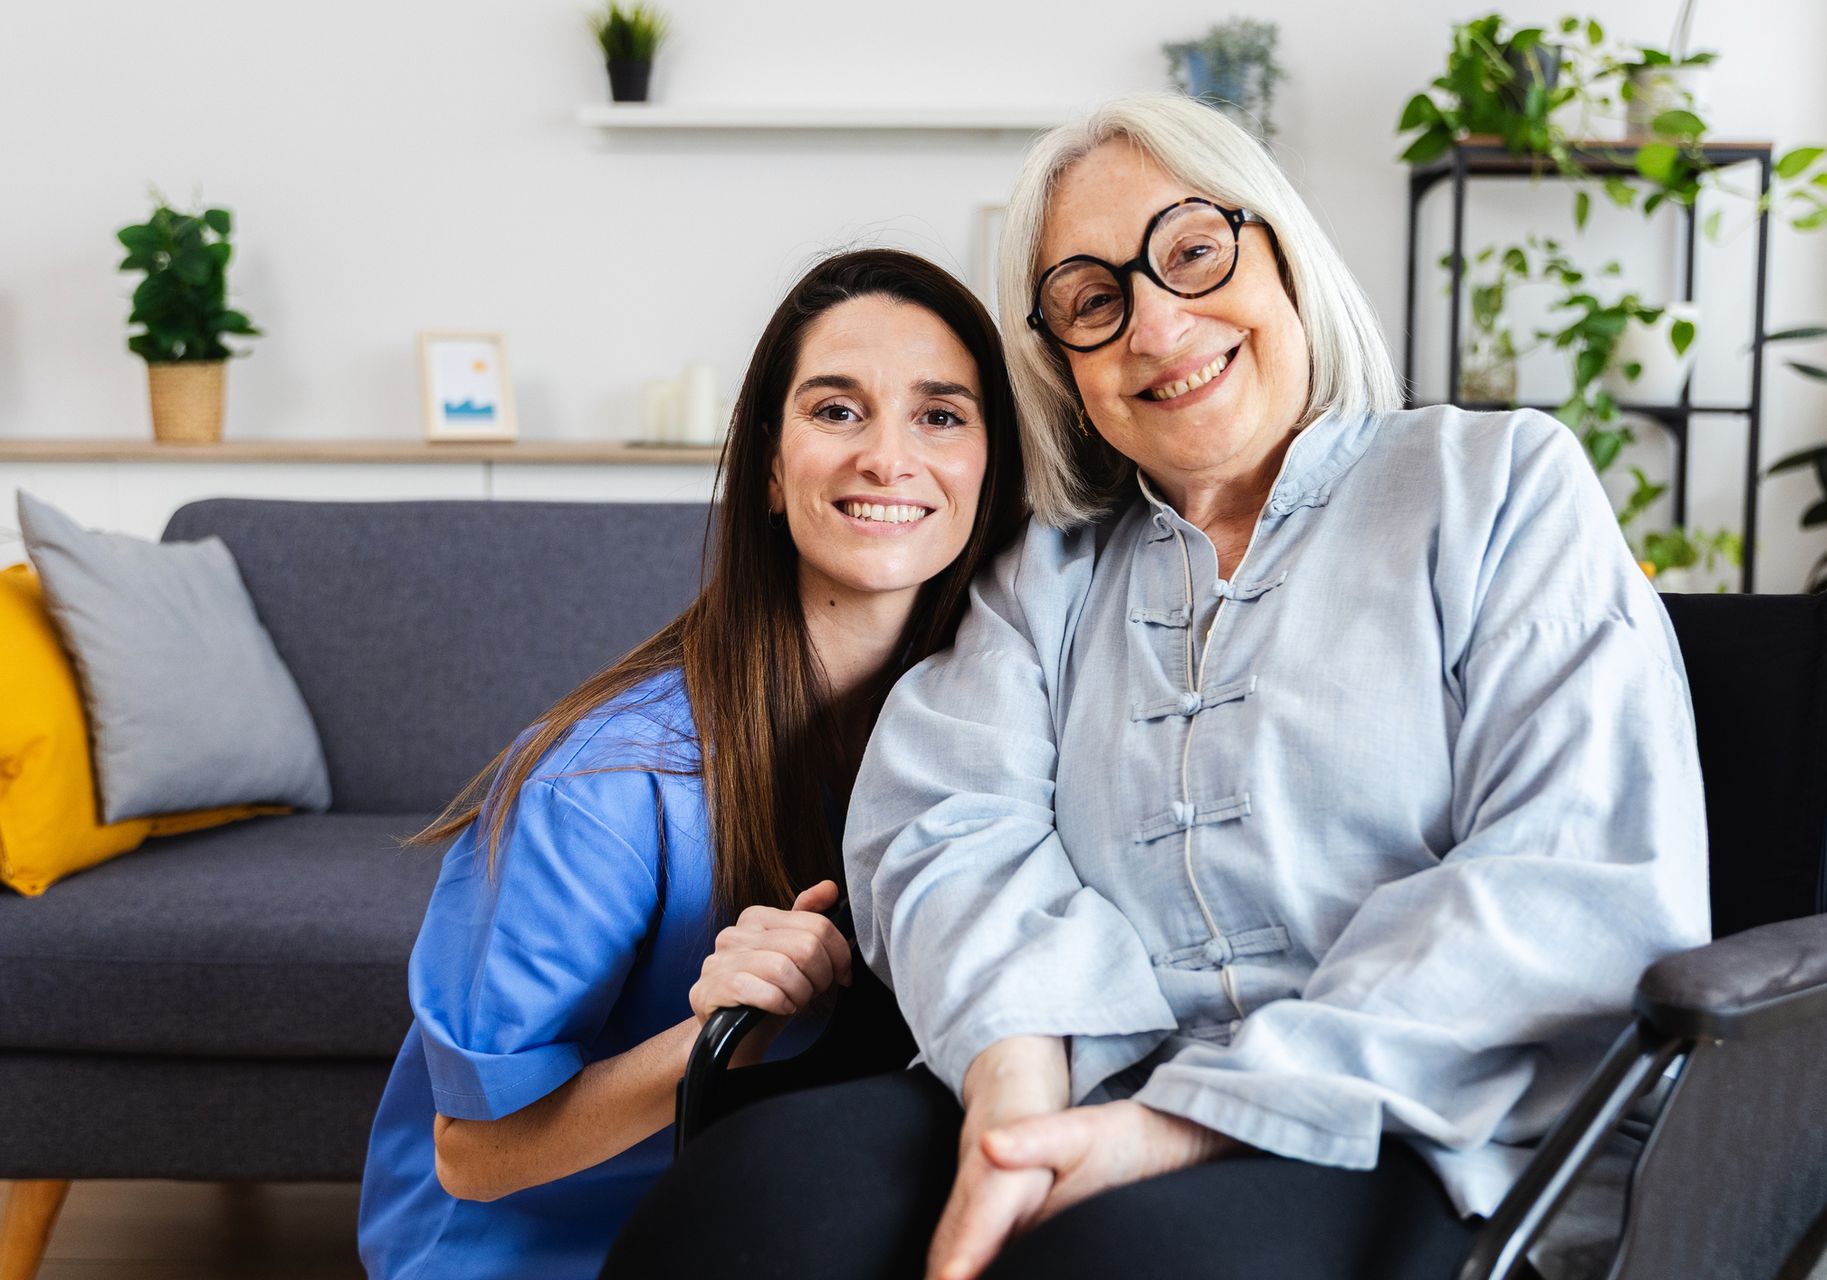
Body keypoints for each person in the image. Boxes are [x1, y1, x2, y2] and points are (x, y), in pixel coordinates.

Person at [606, 93, 1709, 1280]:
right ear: (1063, 364)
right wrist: (1017, 1085)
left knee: (1102, 1263)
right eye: (1094, 299)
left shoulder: (1496, 485)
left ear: (1281, 249)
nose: (1158, 323)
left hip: (1425, 1124)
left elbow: (1567, 872)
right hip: (1083, 1064)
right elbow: (942, 819)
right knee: (736, 1206)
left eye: (1193, 251)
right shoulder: (1051, 569)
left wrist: (1174, 1123)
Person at [355, 248, 1027, 1280]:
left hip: (787, 1221)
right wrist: (716, 1037)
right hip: (552, 1252)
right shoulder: (604, 783)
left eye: (941, 415)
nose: (889, 457)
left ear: (992, 464)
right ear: (769, 462)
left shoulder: (987, 738)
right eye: (837, 410)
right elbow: (471, 1154)